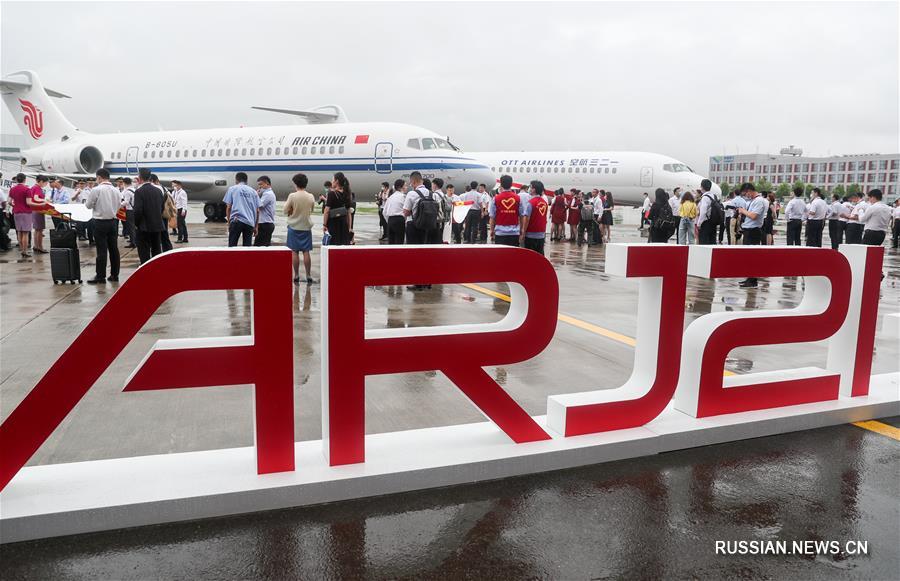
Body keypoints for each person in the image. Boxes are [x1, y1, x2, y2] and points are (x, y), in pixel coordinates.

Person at [85, 168, 121, 283]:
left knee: (102, 250)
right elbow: (119, 205)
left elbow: (88, 205)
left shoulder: (97, 189)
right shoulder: (116, 190)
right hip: (113, 221)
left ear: (99, 177)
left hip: (100, 221)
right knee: (114, 249)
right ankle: (115, 275)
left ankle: (100, 276)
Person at [283, 173, 316, 284]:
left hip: (294, 226)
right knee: (306, 251)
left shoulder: (292, 196)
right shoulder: (310, 196)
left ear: (295, 183)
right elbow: (312, 209)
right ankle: (308, 274)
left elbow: (285, 210)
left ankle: (296, 275)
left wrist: (291, 210)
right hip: (306, 227)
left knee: (294, 251)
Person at [736, 183, 767, 288]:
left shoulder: (759, 201)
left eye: (746, 193)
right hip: (749, 230)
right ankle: (749, 279)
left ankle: (752, 281)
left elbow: (753, 216)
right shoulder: (754, 201)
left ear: (749, 190)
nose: (746, 196)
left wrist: (743, 211)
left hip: (753, 231)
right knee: (749, 257)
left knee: (752, 257)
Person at [132, 168, 165, 263]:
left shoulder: (139, 191)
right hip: (157, 225)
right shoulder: (158, 191)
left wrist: (136, 224)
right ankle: (157, 271)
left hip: (144, 227)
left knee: (144, 252)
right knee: (157, 250)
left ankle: (146, 272)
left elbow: (138, 211)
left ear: (140, 178)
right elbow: (161, 208)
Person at [402, 171, 440, 245]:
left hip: (413, 225)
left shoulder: (411, 194)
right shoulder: (433, 194)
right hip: (429, 225)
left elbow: (406, 212)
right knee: (425, 249)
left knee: (413, 251)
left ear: (413, 181)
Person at [489, 175, 526, 247]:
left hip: (500, 233)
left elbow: (492, 217)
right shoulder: (518, 198)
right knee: (513, 256)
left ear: (501, 184)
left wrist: (491, 230)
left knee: (501, 256)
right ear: (511, 184)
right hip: (514, 233)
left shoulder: (496, 199)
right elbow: (521, 216)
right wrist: (522, 229)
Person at [223, 172, 259, 247]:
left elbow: (229, 207)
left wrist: (229, 222)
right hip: (249, 222)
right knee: (247, 248)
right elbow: (258, 211)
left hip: (236, 220)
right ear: (246, 180)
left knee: (232, 246)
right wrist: (255, 226)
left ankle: (232, 259)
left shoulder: (232, 189)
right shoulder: (253, 192)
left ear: (236, 180)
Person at [8, 173, 39, 258]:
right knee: (25, 233)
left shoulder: (12, 189)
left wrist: (15, 206)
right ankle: (25, 251)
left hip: (16, 212)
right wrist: (40, 204)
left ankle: (22, 249)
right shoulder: (27, 189)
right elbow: (29, 202)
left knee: (19, 231)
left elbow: (9, 201)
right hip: (26, 212)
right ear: (25, 180)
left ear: (17, 179)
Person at [324, 172, 353, 245]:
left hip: (333, 224)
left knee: (333, 246)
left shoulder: (331, 194)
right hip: (344, 224)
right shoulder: (347, 193)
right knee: (343, 246)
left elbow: (326, 211)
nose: (331, 182)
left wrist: (324, 224)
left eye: (332, 180)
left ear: (336, 181)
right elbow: (349, 213)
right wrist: (349, 227)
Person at [521, 180, 548, 254]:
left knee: (529, 257)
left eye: (530, 187)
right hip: (541, 235)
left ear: (534, 189)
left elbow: (526, 219)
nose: (529, 189)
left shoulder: (530, 203)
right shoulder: (544, 203)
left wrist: (523, 233)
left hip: (530, 235)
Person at [152, 174, 175, 252]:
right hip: (165, 214)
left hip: (159, 214)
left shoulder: (157, 189)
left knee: (161, 235)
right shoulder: (164, 188)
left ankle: (166, 251)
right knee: (164, 234)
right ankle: (168, 250)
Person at [29, 175, 50, 254]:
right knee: (40, 230)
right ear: (41, 181)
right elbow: (36, 198)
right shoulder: (37, 188)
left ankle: (36, 246)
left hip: (34, 209)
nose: (46, 185)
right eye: (45, 183)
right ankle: (40, 247)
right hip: (38, 210)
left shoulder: (33, 187)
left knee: (37, 229)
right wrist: (45, 200)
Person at [254, 176, 277, 246]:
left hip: (265, 224)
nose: (259, 187)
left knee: (259, 247)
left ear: (267, 183)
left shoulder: (268, 194)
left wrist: (255, 195)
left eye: (261, 184)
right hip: (265, 223)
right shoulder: (267, 193)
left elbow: (259, 205)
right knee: (263, 246)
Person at [383, 179, 407, 244]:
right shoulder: (404, 197)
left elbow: (384, 212)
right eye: (405, 186)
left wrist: (389, 221)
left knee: (391, 243)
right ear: (400, 187)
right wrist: (405, 220)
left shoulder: (390, 197)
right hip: (399, 220)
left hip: (390, 220)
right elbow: (406, 210)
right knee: (399, 242)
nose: (406, 187)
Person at [695, 179, 718, 245]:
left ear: (702, 187)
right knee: (712, 243)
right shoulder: (714, 196)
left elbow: (703, 212)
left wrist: (699, 223)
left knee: (704, 243)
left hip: (706, 224)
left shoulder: (705, 198)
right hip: (713, 222)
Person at [121, 177, 136, 247]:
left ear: (124, 183)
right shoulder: (133, 189)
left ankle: (133, 242)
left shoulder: (127, 191)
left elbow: (126, 202)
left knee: (131, 226)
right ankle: (133, 239)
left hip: (129, 210)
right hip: (134, 210)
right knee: (133, 226)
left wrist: (119, 205)